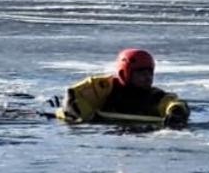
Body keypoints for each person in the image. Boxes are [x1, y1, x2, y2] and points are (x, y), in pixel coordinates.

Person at [56, 48, 191, 127]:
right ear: (123, 73)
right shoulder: (104, 87)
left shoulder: (154, 96)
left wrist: (176, 112)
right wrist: (86, 117)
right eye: (141, 72)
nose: (148, 77)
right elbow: (73, 95)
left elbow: (174, 103)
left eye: (150, 72)